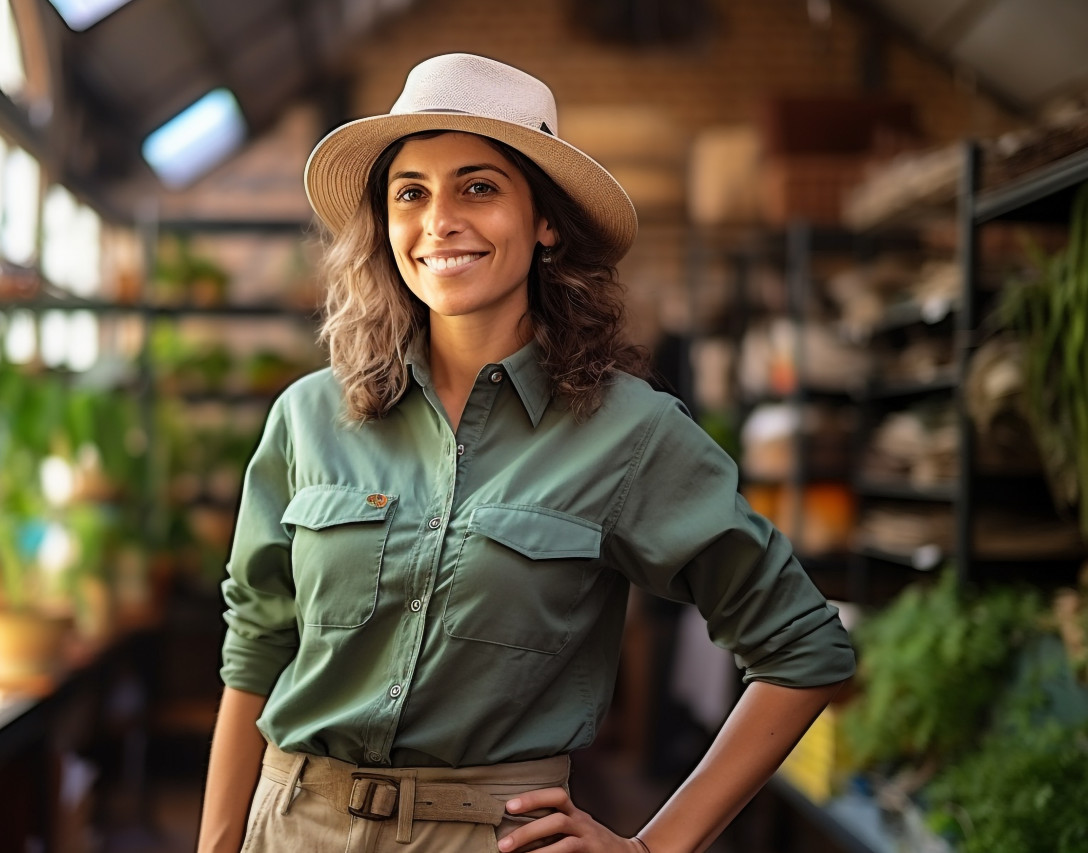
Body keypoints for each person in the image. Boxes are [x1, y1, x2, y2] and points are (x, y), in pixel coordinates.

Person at [198, 53, 854, 853]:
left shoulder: (630, 433)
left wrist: (653, 847)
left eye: (478, 186)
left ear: (545, 221)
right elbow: (257, 646)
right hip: (293, 825)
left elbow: (804, 647)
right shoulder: (308, 417)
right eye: (412, 192)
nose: (440, 219)